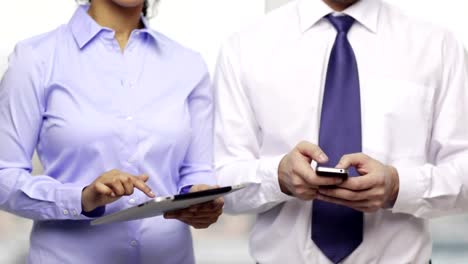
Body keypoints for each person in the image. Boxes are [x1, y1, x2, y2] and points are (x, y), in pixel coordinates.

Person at [214, 0, 468, 263]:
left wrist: (398, 187)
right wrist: (277, 177)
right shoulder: (245, 46)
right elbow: (222, 181)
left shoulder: (438, 46)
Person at [0, 0, 223, 263]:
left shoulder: (188, 65)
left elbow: (197, 171)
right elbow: (5, 177)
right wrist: (81, 198)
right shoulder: (35, 58)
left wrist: (201, 201)